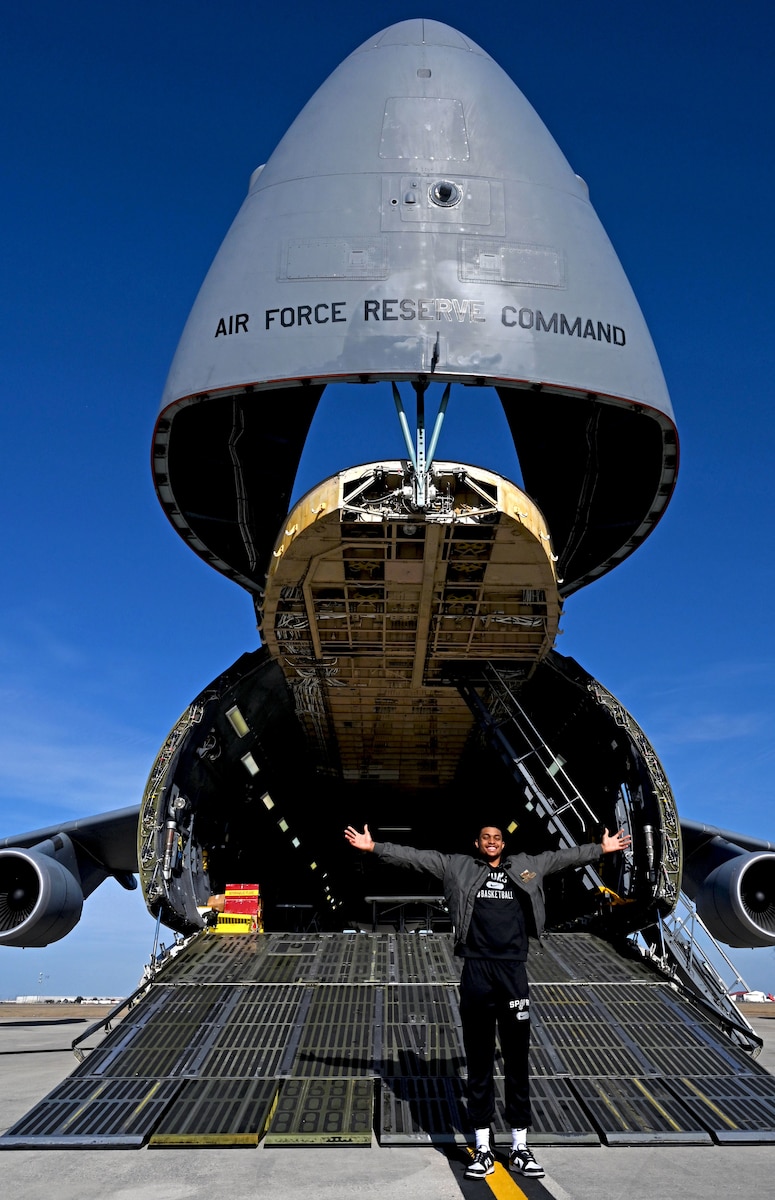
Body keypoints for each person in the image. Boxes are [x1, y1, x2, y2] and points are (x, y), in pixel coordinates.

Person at [344, 821, 631, 1179]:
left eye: (497, 838)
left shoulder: (526, 865)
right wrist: (375, 848)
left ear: (503, 843)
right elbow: (416, 858)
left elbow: (561, 858)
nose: (492, 842)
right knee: (479, 1061)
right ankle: (482, 1148)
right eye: (485, 838)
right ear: (476, 843)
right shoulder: (458, 866)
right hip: (477, 972)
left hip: (513, 972)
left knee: (516, 1060)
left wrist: (600, 850)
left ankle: (520, 1147)